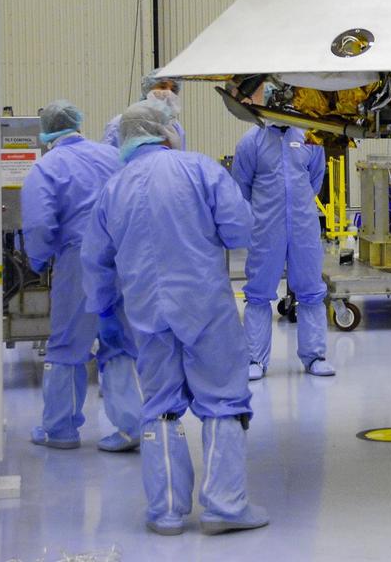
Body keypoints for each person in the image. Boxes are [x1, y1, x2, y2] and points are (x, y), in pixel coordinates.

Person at [82, 100, 268, 536]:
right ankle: (224, 505)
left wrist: (105, 311)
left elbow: (95, 259)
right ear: (165, 133)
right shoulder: (198, 169)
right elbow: (240, 228)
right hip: (203, 303)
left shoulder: (114, 188)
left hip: (145, 311)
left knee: (160, 406)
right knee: (222, 398)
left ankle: (165, 511)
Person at [20, 100, 142, 452]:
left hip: (79, 260)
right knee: (120, 339)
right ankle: (131, 426)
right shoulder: (110, 156)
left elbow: (40, 223)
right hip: (120, 256)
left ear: (46, 131)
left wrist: (39, 260)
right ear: (78, 124)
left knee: (67, 342)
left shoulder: (46, 167)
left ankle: (60, 428)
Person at [232, 120, 334, 380]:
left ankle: (315, 357)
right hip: (266, 228)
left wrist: (296, 207)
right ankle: (255, 359)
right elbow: (241, 186)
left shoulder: (310, 137)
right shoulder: (251, 141)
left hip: (303, 225)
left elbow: (315, 178)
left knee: (311, 289)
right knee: (258, 291)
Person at [104, 69, 186, 150]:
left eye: (173, 90)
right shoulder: (121, 122)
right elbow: (108, 157)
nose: (168, 93)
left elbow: (179, 157)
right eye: (162, 87)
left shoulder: (175, 127)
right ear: (148, 89)